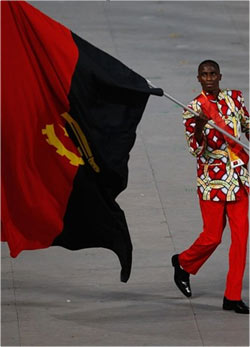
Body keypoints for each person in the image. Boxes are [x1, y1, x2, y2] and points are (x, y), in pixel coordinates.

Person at [172, 60, 249, 314]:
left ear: (220, 76)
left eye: (212, 73)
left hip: (238, 179)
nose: (209, 78)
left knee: (240, 239)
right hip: (212, 183)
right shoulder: (192, 108)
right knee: (213, 237)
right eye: (204, 75)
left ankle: (232, 296)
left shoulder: (235, 99)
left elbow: (247, 126)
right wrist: (200, 127)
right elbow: (195, 150)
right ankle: (183, 264)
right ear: (198, 78)